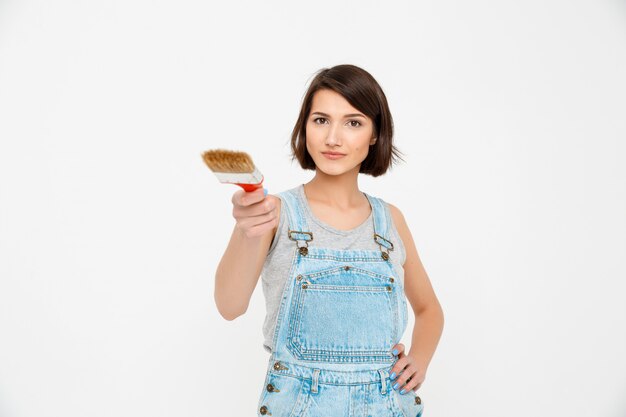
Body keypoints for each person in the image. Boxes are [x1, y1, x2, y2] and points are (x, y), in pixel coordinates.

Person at [214, 64, 444, 417]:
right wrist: (247, 230)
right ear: (304, 127)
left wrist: (420, 361)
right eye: (321, 120)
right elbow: (229, 306)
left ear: (374, 134)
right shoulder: (276, 212)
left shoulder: (390, 220)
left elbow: (429, 310)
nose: (333, 138)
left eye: (353, 122)